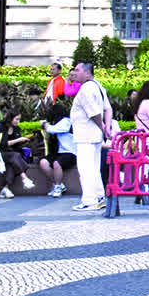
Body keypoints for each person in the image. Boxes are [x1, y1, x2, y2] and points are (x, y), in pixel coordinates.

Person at [68, 61, 115, 212]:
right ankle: (99, 197)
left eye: (77, 70)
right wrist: (106, 127)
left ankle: (89, 200)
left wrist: (103, 127)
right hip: (93, 135)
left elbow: (94, 113)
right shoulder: (98, 86)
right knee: (93, 167)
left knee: (85, 168)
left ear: (87, 73)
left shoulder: (86, 89)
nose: (74, 72)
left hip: (86, 135)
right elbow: (107, 109)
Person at [0, 110, 36, 198]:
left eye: (19, 120)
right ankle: (24, 178)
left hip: (12, 154)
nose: (18, 122)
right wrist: (18, 140)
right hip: (0, 153)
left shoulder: (16, 129)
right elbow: (2, 144)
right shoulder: (0, 127)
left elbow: (17, 146)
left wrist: (23, 140)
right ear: (10, 118)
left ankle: (5, 189)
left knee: (11, 164)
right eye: (16, 119)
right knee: (15, 156)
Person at [37, 103, 77, 197]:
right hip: (58, 152)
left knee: (56, 163)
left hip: (69, 152)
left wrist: (45, 124)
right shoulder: (57, 122)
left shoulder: (66, 121)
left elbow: (51, 129)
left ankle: (58, 186)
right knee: (43, 162)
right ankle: (58, 184)